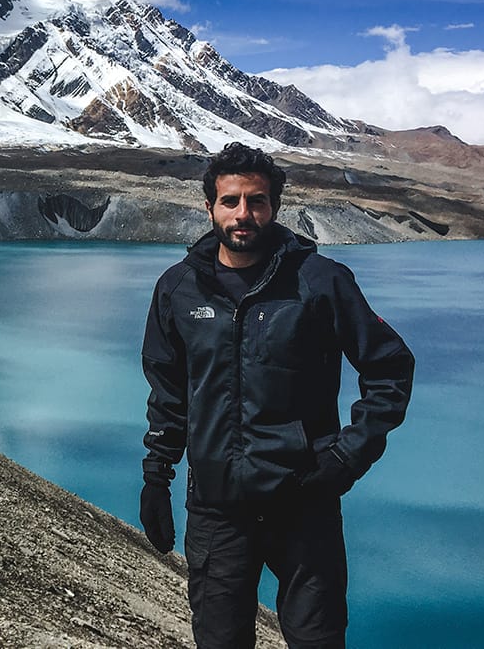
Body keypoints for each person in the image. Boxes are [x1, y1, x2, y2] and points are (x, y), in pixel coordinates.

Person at [139, 142, 414, 649]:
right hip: (218, 510)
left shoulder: (320, 281)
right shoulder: (178, 289)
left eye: (257, 201)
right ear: (209, 207)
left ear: (275, 207)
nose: (243, 214)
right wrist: (157, 476)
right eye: (230, 201)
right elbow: (169, 392)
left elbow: (390, 367)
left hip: (304, 503)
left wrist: (347, 457)